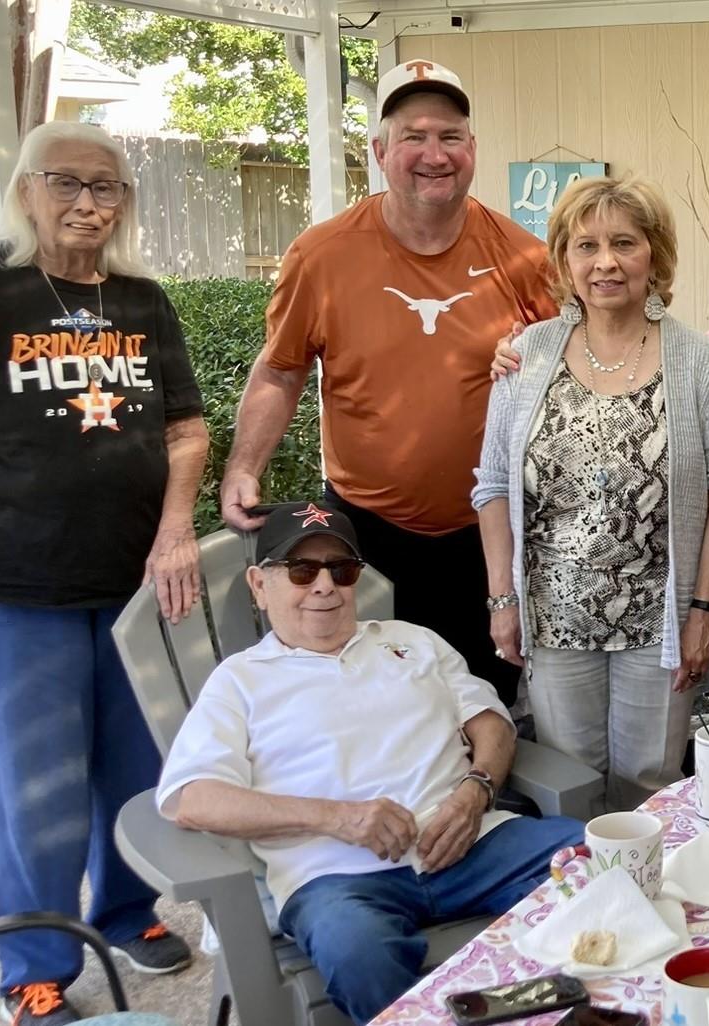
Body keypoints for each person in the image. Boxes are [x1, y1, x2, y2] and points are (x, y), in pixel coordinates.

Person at [0, 121, 206, 1025]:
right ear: (25, 189)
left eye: (108, 188)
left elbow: (184, 428)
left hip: (134, 591)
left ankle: (128, 914)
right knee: (37, 793)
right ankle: (33, 966)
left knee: (136, 775)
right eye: (68, 184)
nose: (89, 203)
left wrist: (176, 533)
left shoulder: (140, 298)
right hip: (16, 594)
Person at [156, 502, 583, 1024]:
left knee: (603, 865)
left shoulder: (413, 641)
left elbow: (490, 724)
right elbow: (193, 800)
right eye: (301, 570)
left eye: (342, 570)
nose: (324, 586)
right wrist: (338, 817)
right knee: (357, 952)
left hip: (475, 843)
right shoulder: (239, 681)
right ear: (258, 584)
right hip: (338, 879)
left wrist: (477, 791)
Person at [220, 59, 557, 709]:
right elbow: (281, 368)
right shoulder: (322, 255)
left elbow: (570, 368)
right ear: (379, 151)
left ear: (473, 150)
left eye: (450, 137)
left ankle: (477, 808)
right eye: (414, 136)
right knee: (367, 705)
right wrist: (243, 468)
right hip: (363, 537)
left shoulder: (522, 257)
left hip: (484, 536)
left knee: (481, 703)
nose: (434, 154)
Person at [475, 175, 709, 811]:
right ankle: (586, 909)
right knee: (566, 787)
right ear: (563, 261)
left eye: (624, 243)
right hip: (554, 617)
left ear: (653, 254)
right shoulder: (526, 355)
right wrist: (502, 598)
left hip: (659, 622)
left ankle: (647, 907)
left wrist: (702, 616)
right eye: (586, 245)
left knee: (649, 788)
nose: (605, 262)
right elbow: (492, 485)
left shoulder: (699, 360)